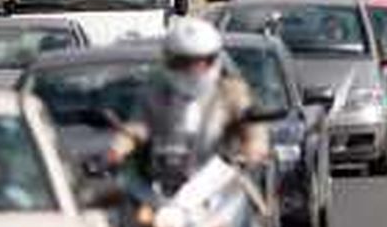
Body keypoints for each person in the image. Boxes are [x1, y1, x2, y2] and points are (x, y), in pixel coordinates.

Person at [106, 17, 267, 171]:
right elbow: (137, 127)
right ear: (169, 60)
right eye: (183, 62)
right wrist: (117, 150)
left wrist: (252, 151)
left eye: (200, 62)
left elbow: (252, 128)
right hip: (162, 178)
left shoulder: (231, 92)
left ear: (213, 60)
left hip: (219, 180)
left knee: (256, 198)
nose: (192, 70)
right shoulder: (156, 91)